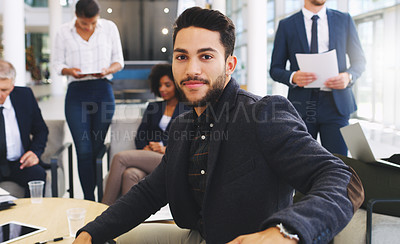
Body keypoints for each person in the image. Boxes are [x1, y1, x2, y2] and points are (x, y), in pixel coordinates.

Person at [73, 7, 364, 244]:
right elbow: (150, 192)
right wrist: (90, 232)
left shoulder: (264, 113)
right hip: (197, 234)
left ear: (229, 64)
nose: (192, 70)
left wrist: (284, 231)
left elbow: (341, 178)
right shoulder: (183, 125)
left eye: (206, 56)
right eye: (181, 57)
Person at [269, 0, 366, 155]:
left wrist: (348, 77)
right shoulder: (287, 25)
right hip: (302, 106)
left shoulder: (344, 20)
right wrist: (293, 76)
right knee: (302, 163)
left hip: (336, 105)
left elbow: (359, 61)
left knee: (338, 164)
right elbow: (275, 69)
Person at [51, 0, 124, 200]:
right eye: (85, 23)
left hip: (103, 91)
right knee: (83, 149)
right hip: (77, 92)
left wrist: (109, 69)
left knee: (97, 146)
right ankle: (89, 198)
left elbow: (119, 61)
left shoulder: (109, 28)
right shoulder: (63, 32)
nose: (89, 27)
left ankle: (101, 195)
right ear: (76, 16)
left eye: (93, 23)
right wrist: (70, 71)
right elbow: (57, 64)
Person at [101, 64, 189, 205]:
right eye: (160, 85)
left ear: (177, 84)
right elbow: (141, 135)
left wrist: (166, 148)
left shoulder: (189, 109)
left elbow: (188, 140)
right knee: (130, 174)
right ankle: (130, 223)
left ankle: (103, 213)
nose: (162, 89)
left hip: (171, 159)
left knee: (120, 158)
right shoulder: (153, 107)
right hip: (149, 157)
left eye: (167, 85)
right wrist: (145, 148)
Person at [0, 60, 48, 197]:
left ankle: (32, 216)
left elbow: (41, 130)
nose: (0, 95)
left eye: (4, 90)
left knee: (38, 174)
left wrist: (34, 153)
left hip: (19, 163)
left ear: (12, 86)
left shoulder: (25, 96)